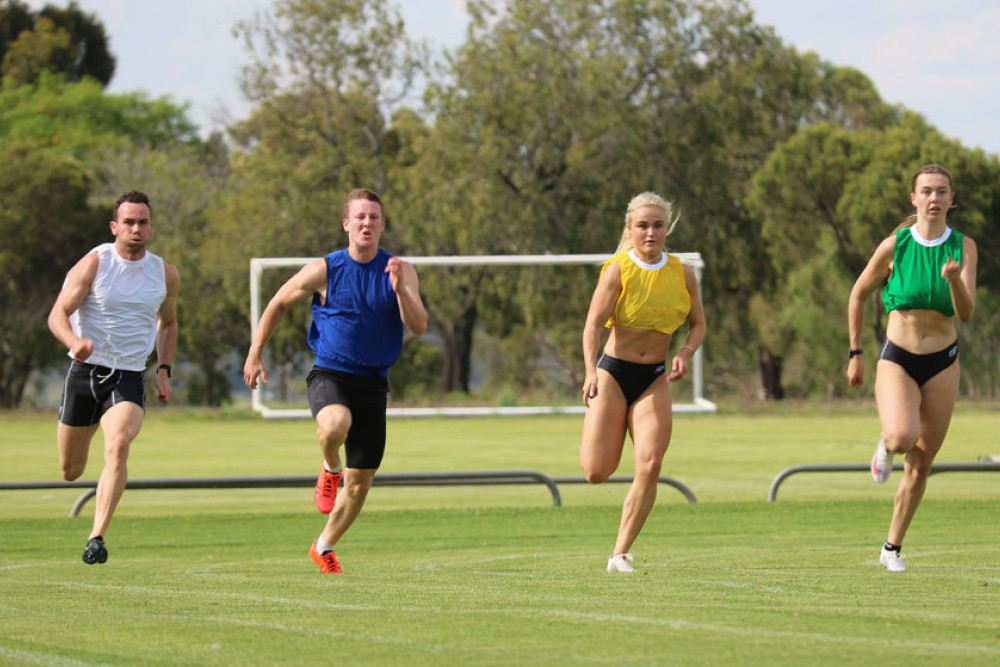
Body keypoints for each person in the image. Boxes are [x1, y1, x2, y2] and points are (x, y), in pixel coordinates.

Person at [243, 188, 427, 575]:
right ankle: (330, 466)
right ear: (347, 224)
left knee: (360, 484)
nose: (367, 223)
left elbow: (419, 325)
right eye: (359, 217)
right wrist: (256, 350)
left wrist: (401, 292)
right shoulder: (324, 269)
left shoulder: (400, 269)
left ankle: (324, 545)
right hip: (331, 373)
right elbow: (278, 302)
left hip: (374, 383)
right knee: (335, 423)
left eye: (374, 217)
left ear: (382, 225)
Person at [847, 164, 977, 573]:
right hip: (898, 358)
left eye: (942, 191)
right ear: (914, 198)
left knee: (921, 463)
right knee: (903, 436)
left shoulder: (964, 247)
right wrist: (855, 353)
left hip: (943, 361)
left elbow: (967, 313)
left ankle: (892, 548)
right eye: (926, 191)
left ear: (951, 199)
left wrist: (954, 280)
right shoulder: (895, 245)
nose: (934, 198)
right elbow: (858, 295)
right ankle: (885, 445)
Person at [47, 190, 180, 565]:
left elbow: (168, 323)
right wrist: (75, 341)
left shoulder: (165, 273)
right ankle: (84, 453)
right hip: (85, 372)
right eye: (129, 222)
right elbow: (57, 314)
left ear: (151, 228)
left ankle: (96, 536)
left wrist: (164, 370)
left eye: (143, 222)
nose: (136, 229)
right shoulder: (95, 263)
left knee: (119, 444)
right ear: (114, 227)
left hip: (129, 374)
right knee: (70, 471)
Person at [580, 191, 706, 573]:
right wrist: (589, 372)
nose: (650, 232)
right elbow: (591, 325)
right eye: (642, 226)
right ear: (630, 229)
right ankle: (604, 430)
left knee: (650, 464)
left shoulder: (682, 272)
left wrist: (684, 353)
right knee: (596, 471)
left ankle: (619, 553)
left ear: (667, 228)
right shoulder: (618, 269)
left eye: (657, 225)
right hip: (613, 374)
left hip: (653, 378)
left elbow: (698, 324)